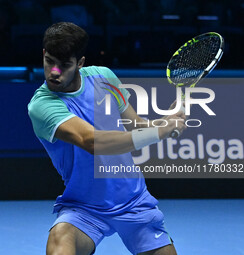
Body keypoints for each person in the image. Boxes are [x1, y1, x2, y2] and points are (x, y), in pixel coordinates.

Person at [28, 22, 186, 255]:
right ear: (43, 54)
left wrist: (166, 122)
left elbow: (136, 125)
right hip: (84, 208)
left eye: (64, 65)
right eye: (49, 61)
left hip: (134, 202)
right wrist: (160, 132)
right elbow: (91, 141)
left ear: (80, 63)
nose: (54, 71)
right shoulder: (42, 105)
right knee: (59, 244)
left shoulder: (104, 77)